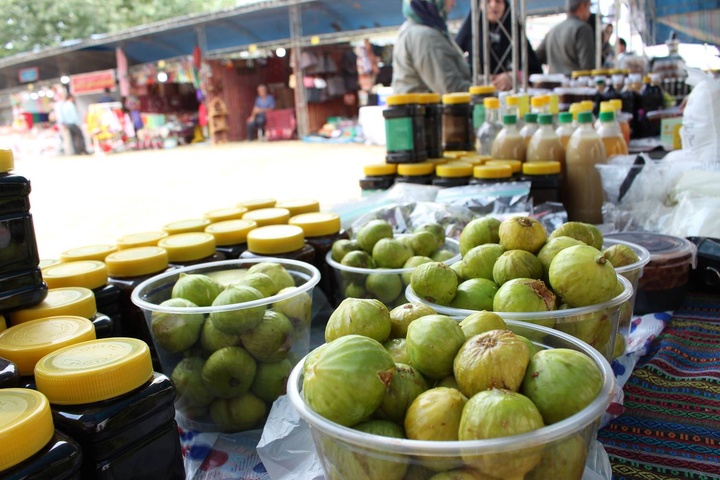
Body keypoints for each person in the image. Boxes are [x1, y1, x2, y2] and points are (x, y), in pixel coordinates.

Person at [455, 0, 543, 91]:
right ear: (480, 5)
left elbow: (535, 73)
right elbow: (452, 66)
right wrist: (480, 79)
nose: (493, 5)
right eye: (488, 1)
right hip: (480, 96)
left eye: (498, 1)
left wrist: (514, 77)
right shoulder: (470, 30)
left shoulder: (515, 31)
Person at [391, 0, 472, 94]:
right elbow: (451, 90)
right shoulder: (425, 37)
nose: (453, 4)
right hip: (425, 108)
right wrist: (483, 90)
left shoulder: (418, 29)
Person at [536, 0, 595, 75]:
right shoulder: (583, 28)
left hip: (552, 83)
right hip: (575, 84)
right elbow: (587, 67)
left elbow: (536, 58)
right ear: (582, 7)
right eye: (589, 7)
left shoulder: (553, 31)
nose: (589, 13)